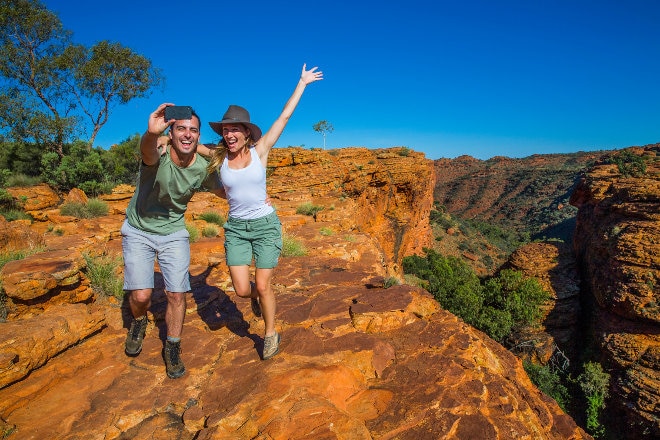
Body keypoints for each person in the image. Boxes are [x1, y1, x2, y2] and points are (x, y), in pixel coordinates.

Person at [202, 63, 323, 360]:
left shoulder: (261, 151)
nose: (229, 134)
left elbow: (284, 116)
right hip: (237, 230)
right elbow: (189, 145)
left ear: (246, 133)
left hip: (265, 227)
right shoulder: (218, 156)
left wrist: (302, 83)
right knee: (243, 290)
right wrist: (164, 138)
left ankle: (270, 333)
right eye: (225, 130)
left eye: (234, 129)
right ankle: (257, 299)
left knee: (264, 283)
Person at [122, 103, 225, 379]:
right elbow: (148, 150)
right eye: (181, 128)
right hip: (138, 229)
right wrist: (151, 133)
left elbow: (225, 192)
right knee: (141, 296)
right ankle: (139, 321)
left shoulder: (203, 167)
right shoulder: (160, 151)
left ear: (199, 135)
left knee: (177, 293)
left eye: (193, 130)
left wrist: (253, 194)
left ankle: (173, 346)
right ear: (172, 131)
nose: (187, 134)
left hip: (173, 231)